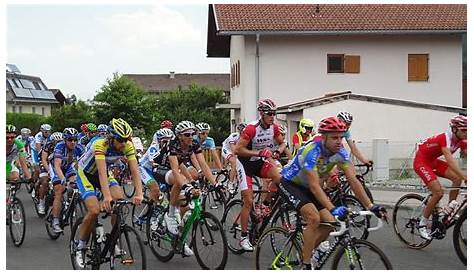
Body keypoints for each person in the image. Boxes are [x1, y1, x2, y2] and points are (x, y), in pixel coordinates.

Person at [280, 117, 386, 270]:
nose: (339, 141)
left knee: (331, 222)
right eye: (334, 137)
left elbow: (354, 181)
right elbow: (315, 187)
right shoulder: (312, 151)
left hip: (309, 187)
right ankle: (306, 263)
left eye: (341, 137)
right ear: (323, 137)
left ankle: (306, 253)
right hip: (291, 184)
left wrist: (371, 206)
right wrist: (333, 208)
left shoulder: (341, 153)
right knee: (314, 218)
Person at [74, 118, 143, 267]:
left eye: (126, 139)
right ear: (111, 137)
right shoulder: (100, 144)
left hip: (104, 173)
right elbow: (100, 173)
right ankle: (80, 246)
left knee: (119, 201)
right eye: (120, 139)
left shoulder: (127, 146)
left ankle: (113, 239)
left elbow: (135, 170)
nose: (123, 143)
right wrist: (106, 197)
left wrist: (139, 193)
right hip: (86, 174)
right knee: (94, 211)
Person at [151, 121, 216, 257]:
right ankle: (169, 215)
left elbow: (203, 165)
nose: (191, 136)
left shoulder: (194, 144)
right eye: (187, 134)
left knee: (186, 208)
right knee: (180, 182)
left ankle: (180, 241)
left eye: (193, 133)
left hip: (179, 168)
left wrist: (216, 184)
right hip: (161, 168)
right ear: (179, 136)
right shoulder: (173, 144)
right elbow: (175, 170)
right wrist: (187, 186)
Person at [234, 99, 286, 251]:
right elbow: (237, 150)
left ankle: (264, 205)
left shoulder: (274, 128)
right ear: (262, 113)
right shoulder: (251, 128)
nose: (272, 116)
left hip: (259, 162)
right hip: (244, 164)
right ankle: (243, 237)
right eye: (270, 113)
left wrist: (278, 151)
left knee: (279, 178)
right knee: (248, 201)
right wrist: (258, 152)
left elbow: (282, 143)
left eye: (274, 114)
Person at [414, 115, 467, 240]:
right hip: (421, 161)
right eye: (463, 130)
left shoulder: (462, 140)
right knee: (438, 192)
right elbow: (450, 160)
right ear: (454, 129)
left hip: (432, 161)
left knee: (456, 179)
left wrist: (462, 176)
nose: (466, 133)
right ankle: (422, 223)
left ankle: (449, 210)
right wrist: (465, 175)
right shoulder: (445, 137)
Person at [50, 128, 85, 232]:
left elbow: (83, 164)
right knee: (59, 190)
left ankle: (69, 203)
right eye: (70, 140)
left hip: (69, 167)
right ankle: (55, 220)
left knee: (74, 184)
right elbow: (57, 165)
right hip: (56, 168)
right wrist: (62, 179)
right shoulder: (59, 146)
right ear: (65, 140)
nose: (73, 142)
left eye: (75, 140)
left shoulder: (79, 147)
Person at [139, 128, 174, 202]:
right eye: (164, 141)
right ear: (158, 141)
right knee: (155, 188)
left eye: (169, 141)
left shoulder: (172, 149)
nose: (167, 143)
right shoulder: (153, 148)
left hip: (155, 170)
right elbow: (154, 163)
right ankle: (154, 207)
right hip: (144, 169)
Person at [37, 132, 64, 215]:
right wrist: (49, 170)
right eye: (56, 142)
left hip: (57, 166)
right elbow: (44, 159)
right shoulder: (48, 146)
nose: (58, 143)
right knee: (45, 182)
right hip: (46, 165)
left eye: (60, 141)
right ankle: (41, 202)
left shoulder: (64, 147)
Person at [221, 123, 247, 193]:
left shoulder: (246, 137)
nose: (244, 133)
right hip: (227, 149)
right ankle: (230, 183)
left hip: (234, 150)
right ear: (240, 131)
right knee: (234, 162)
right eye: (243, 131)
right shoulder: (233, 136)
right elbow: (234, 151)